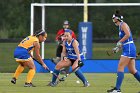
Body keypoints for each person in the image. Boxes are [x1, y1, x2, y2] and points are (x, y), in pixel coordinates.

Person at [107, 10, 140, 93]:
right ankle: (117, 89)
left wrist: (119, 42)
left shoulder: (123, 24)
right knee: (132, 70)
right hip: (128, 48)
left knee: (120, 67)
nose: (113, 19)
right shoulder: (120, 26)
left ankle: (117, 89)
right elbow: (126, 40)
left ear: (117, 18)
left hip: (129, 48)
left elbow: (128, 35)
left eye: (113, 17)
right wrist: (117, 48)